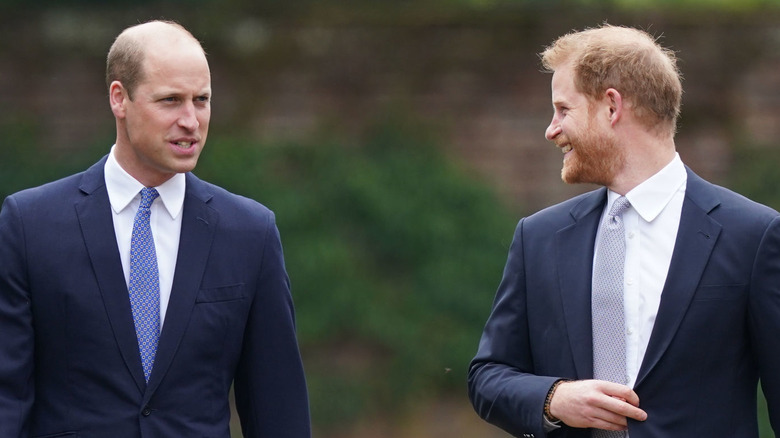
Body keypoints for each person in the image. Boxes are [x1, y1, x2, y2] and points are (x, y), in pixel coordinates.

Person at [0, 20, 310, 437]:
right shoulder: (29, 224)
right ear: (119, 98)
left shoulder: (250, 233)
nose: (190, 120)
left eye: (201, 100)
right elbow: (7, 400)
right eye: (170, 100)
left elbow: (278, 408)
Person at [467, 24, 780, 438]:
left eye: (563, 109)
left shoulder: (754, 236)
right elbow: (488, 376)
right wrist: (553, 398)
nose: (551, 129)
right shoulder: (537, 237)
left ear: (612, 107)